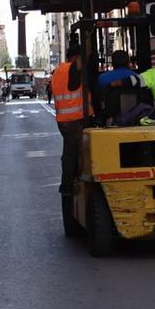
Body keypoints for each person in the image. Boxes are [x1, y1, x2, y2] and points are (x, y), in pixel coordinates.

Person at [51, 43, 85, 195]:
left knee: (70, 152)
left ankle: (67, 185)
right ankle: (68, 186)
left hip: (64, 120)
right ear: (77, 57)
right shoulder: (73, 69)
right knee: (74, 153)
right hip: (76, 119)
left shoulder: (58, 71)